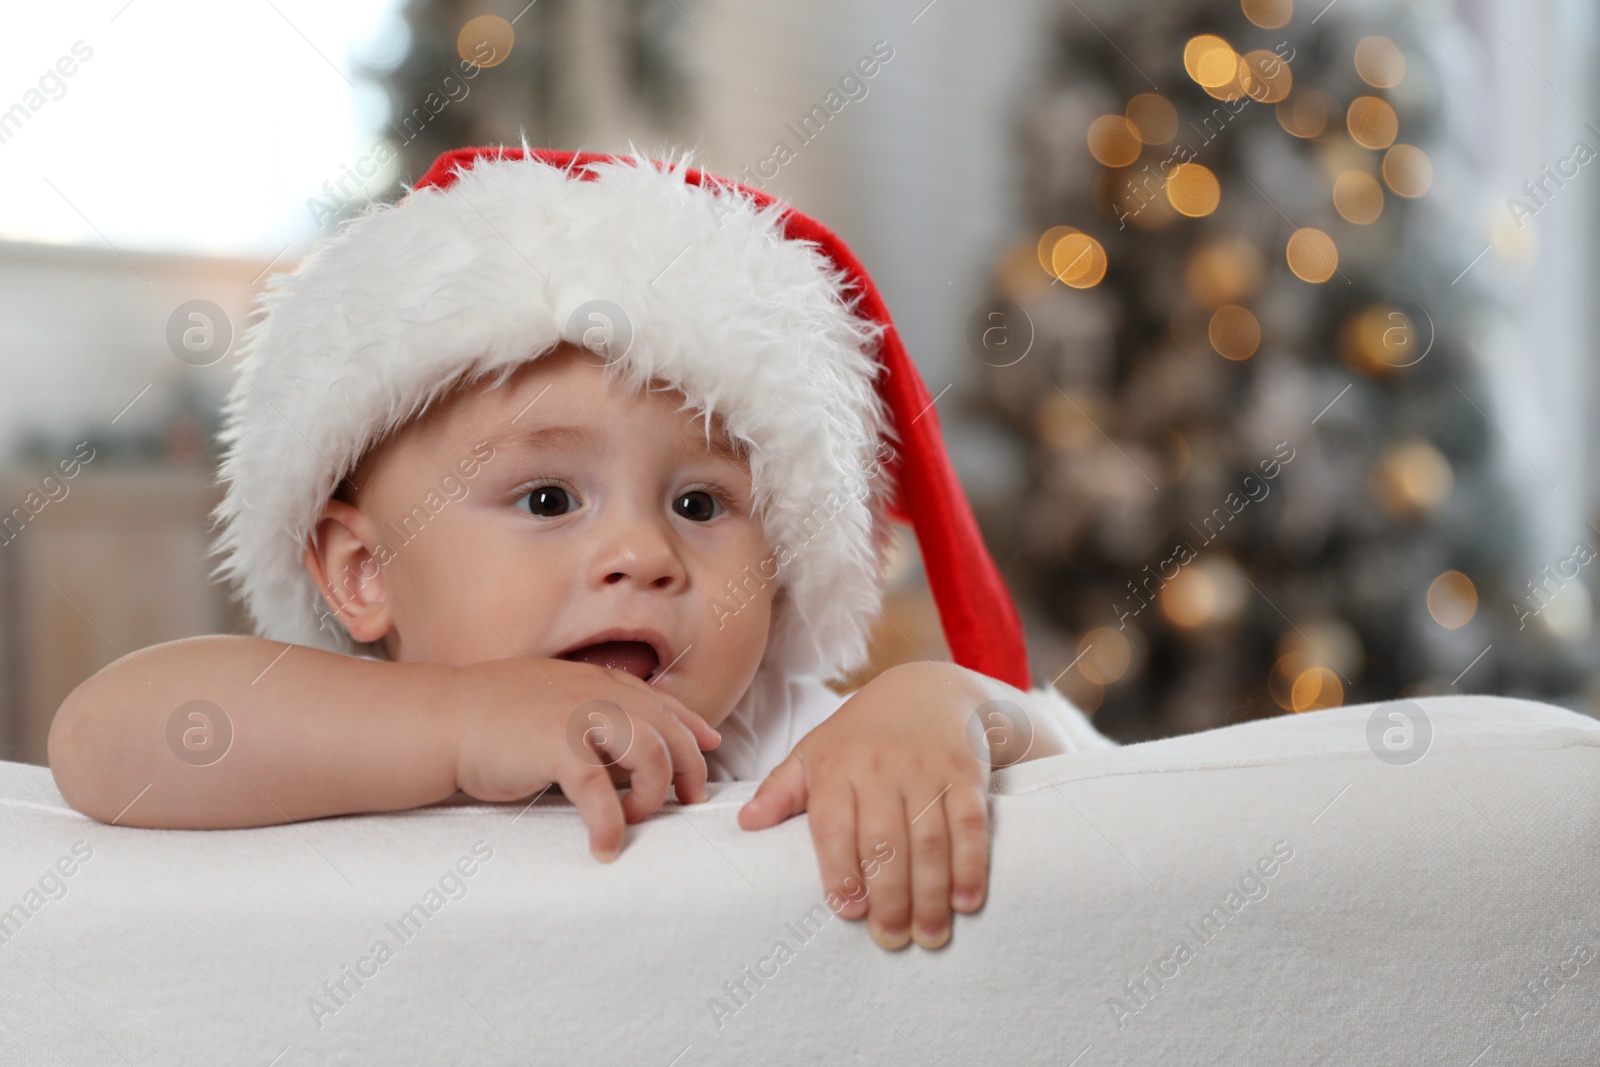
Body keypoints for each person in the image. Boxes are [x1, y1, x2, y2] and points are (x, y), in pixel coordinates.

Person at [48, 145, 1115, 953]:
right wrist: (461, 723)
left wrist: (936, 705)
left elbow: (1099, 785)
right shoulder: (341, 720)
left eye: (701, 502)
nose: (644, 552)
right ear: (365, 571)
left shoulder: (785, 740)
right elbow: (100, 740)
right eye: (549, 495)